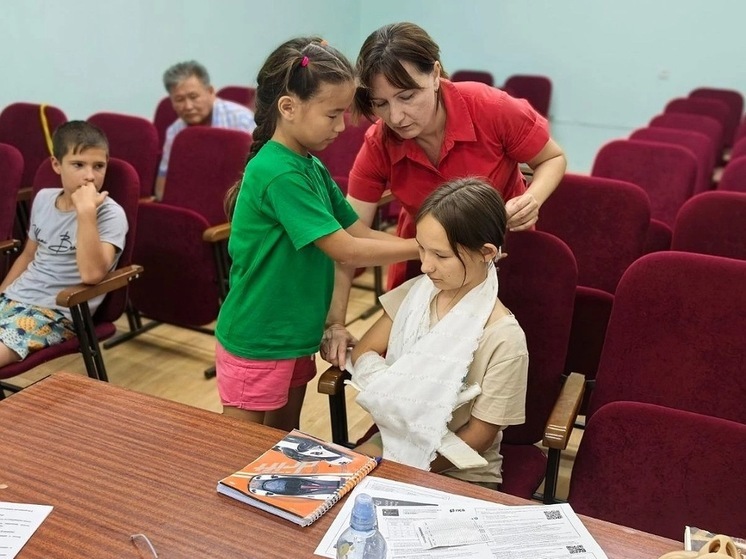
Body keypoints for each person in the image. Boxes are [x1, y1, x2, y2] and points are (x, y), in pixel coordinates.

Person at [322, 22, 566, 368]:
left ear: (435, 74)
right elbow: (347, 241)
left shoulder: (490, 107)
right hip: (428, 265)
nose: (396, 116)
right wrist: (336, 322)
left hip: (502, 254)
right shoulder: (380, 142)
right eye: (381, 104)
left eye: (407, 96)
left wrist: (533, 198)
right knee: (417, 366)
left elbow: (552, 159)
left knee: (494, 360)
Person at [215, 37, 418, 431]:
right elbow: (346, 250)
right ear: (288, 108)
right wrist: (423, 248)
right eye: (333, 115)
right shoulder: (280, 172)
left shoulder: (309, 165)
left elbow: (357, 229)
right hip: (259, 337)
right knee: (238, 451)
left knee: (282, 444)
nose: (342, 127)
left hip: (293, 335)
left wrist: (424, 248)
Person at [346, 177, 528, 488]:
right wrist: (399, 408)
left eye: (440, 256)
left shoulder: (505, 339)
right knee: (338, 494)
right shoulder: (416, 293)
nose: (425, 266)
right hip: (392, 440)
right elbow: (364, 352)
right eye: (421, 250)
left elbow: (480, 436)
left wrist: (406, 466)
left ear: (486, 252)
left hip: (458, 466)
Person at [0, 121, 128, 366]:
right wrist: (2, 294)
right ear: (57, 165)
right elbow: (28, 256)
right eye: (78, 165)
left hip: (58, 312)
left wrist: (86, 213)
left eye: (98, 166)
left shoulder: (111, 214)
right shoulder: (44, 198)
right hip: (16, 298)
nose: (90, 175)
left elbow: (92, 275)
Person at [155, 60, 256, 200]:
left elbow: (259, 176)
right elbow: (163, 180)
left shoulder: (242, 120)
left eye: (193, 97)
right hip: (194, 201)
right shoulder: (175, 130)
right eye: (179, 99)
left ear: (210, 91)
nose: (188, 106)